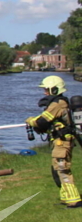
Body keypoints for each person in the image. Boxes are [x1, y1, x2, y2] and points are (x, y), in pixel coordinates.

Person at [26, 75, 80, 207]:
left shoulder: (57, 104)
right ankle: (65, 197)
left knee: (62, 169)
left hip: (62, 142)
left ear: (54, 90)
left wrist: (30, 120)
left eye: (46, 89)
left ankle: (74, 200)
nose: (44, 92)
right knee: (57, 168)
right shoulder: (58, 103)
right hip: (59, 141)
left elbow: (41, 121)